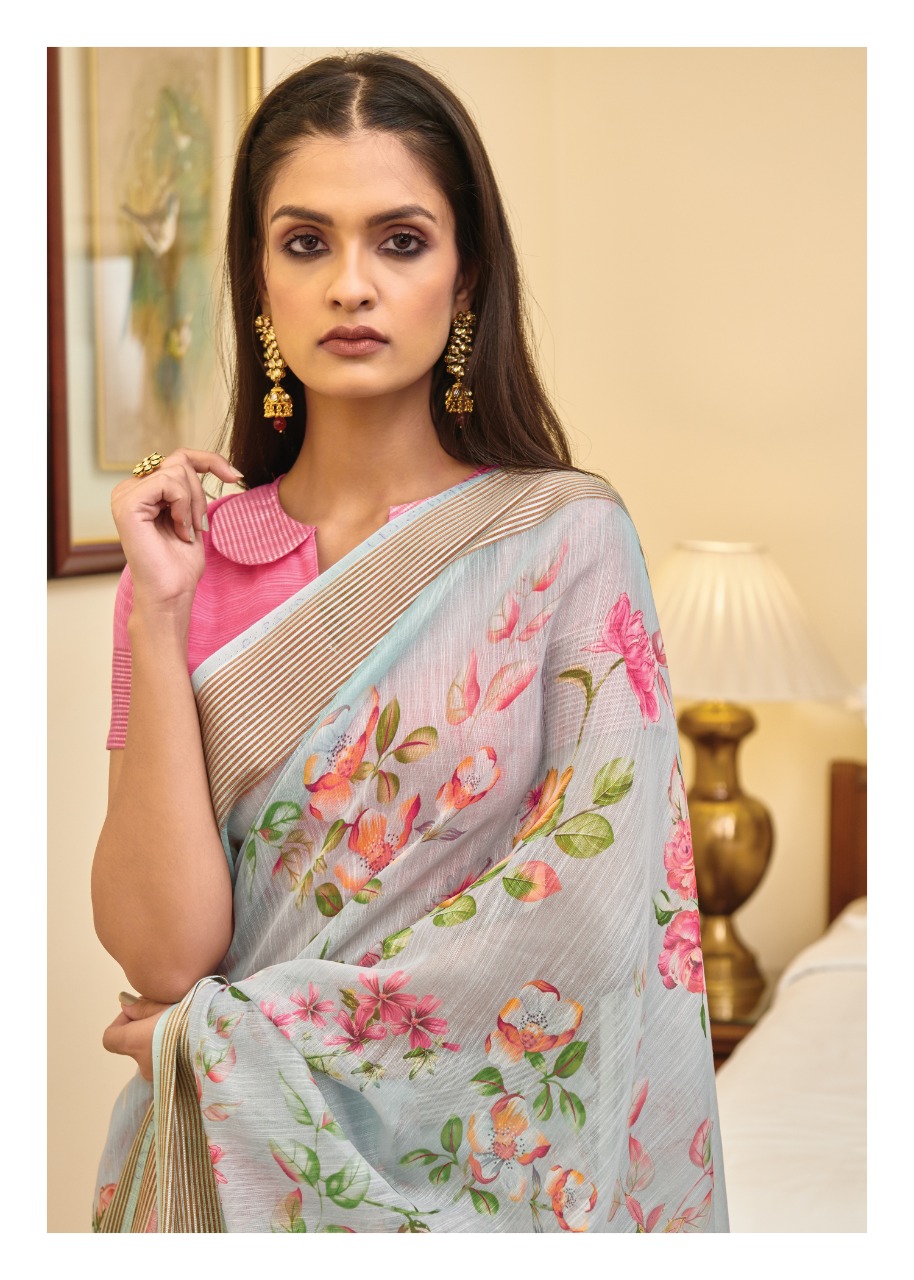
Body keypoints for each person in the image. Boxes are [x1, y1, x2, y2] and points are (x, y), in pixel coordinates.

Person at [91, 50, 727, 1234]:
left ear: (463, 273)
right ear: (257, 281)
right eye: (304, 242)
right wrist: (157, 611)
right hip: (226, 1166)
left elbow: (588, 917)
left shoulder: (564, 539)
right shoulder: (185, 562)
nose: (350, 285)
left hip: (481, 1180)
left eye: (398, 240)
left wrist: (249, 1031)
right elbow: (167, 960)